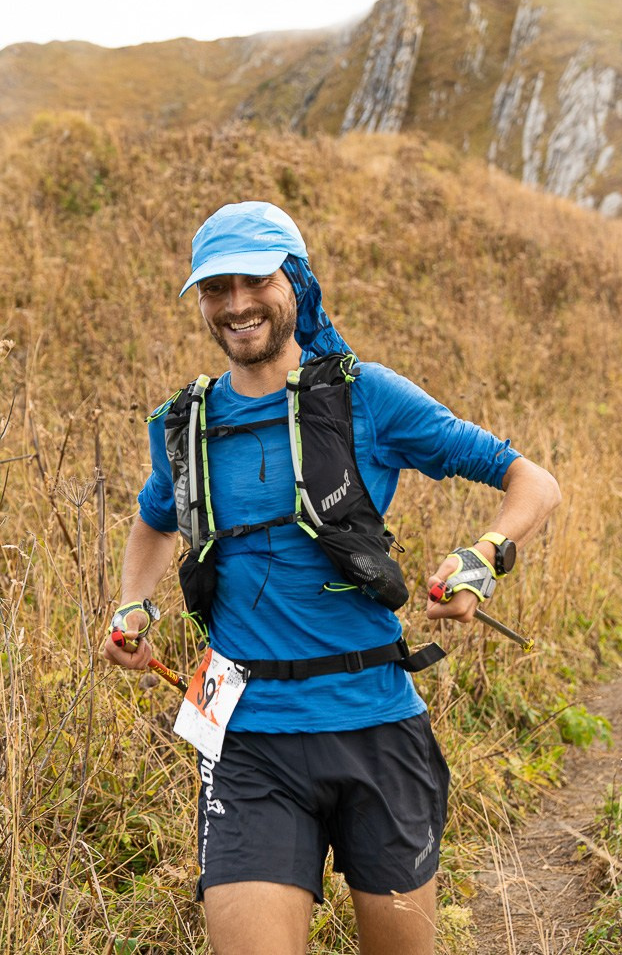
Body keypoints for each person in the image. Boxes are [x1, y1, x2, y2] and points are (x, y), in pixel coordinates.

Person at [103, 201, 560, 955]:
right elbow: (155, 518)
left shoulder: (365, 397)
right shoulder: (183, 425)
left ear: (298, 284)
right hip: (248, 744)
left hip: (376, 728)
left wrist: (481, 557)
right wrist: (131, 606)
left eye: (256, 280)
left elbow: (530, 483)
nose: (236, 303)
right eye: (215, 289)